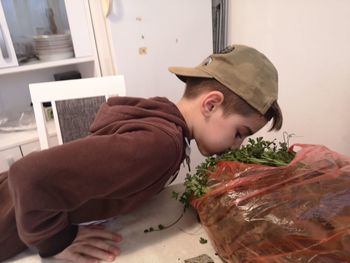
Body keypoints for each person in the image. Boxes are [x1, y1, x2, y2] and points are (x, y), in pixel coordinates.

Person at [0, 44, 282, 263]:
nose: (237, 146)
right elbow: (29, 174)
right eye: (240, 133)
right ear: (210, 105)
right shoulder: (160, 145)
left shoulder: (161, 116)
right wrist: (55, 241)